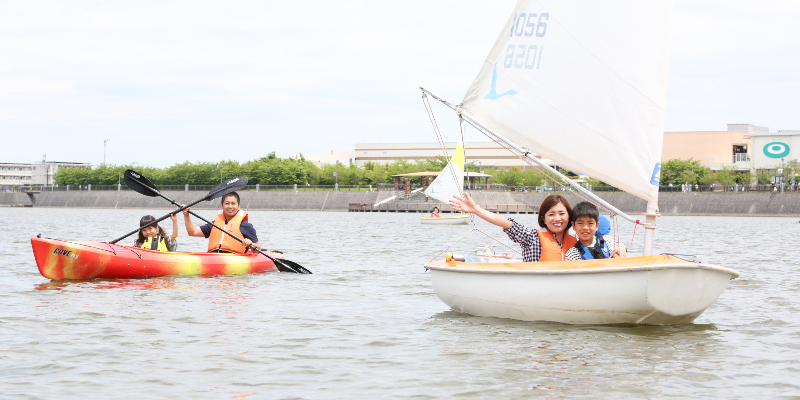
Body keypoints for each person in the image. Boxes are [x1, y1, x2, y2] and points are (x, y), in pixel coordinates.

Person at [450, 193, 579, 262]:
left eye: (562, 213)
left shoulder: (577, 241)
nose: (557, 219)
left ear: (569, 216)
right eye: (551, 214)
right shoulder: (532, 237)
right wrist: (476, 210)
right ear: (543, 218)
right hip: (537, 287)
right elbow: (504, 222)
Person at [182, 191, 261, 253]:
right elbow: (192, 232)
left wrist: (251, 244)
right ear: (222, 205)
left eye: (233, 203)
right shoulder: (215, 224)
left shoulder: (246, 226)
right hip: (214, 258)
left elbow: (258, 248)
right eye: (227, 203)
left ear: (238, 206)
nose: (230, 206)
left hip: (234, 260)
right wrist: (186, 215)